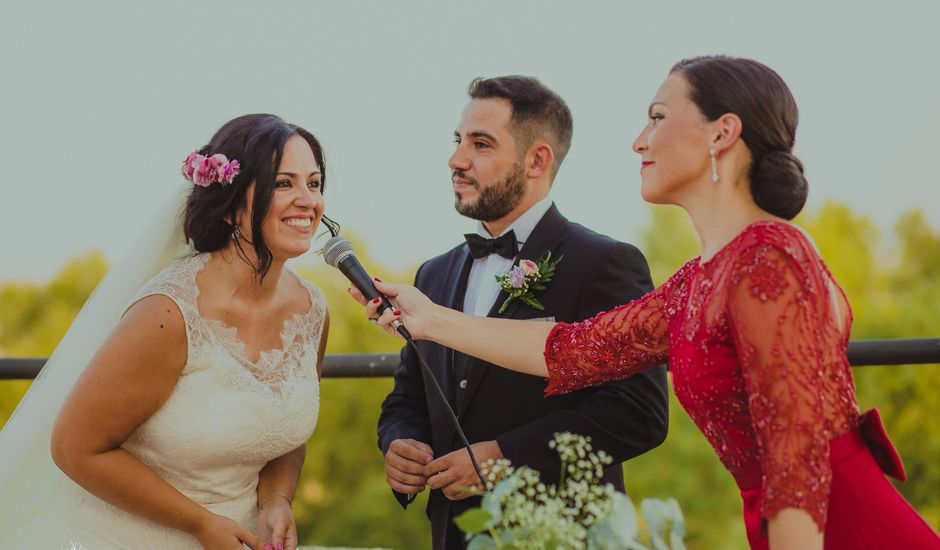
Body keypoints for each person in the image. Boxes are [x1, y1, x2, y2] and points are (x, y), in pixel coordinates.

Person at [357, 58, 940, 549]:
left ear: (722, 133)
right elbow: (570, 348)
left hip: (839, 530)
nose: (639, 140)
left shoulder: (769, 259)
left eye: (658, 118)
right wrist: (427, 318)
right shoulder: (699, 280)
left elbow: (796, 468)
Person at [0, 114, 332, 550]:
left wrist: (276, 500)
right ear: (232, 204)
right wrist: (198, 523)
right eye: (284, 184)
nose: (308, 200)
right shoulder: (168, 313)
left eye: (314, 182)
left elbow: (283, 431)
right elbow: (73, 448)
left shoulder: (312, 312)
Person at [371, 75, 669, 550]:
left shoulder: (604, 263)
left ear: (537, 160)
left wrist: (506, 457)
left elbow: (639, 413)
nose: (456, 160)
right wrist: (401, 442)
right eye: (458, 141)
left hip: (563, 533)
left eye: (481, 144)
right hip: (454, 534)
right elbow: (408, 396)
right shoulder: (433, 275)